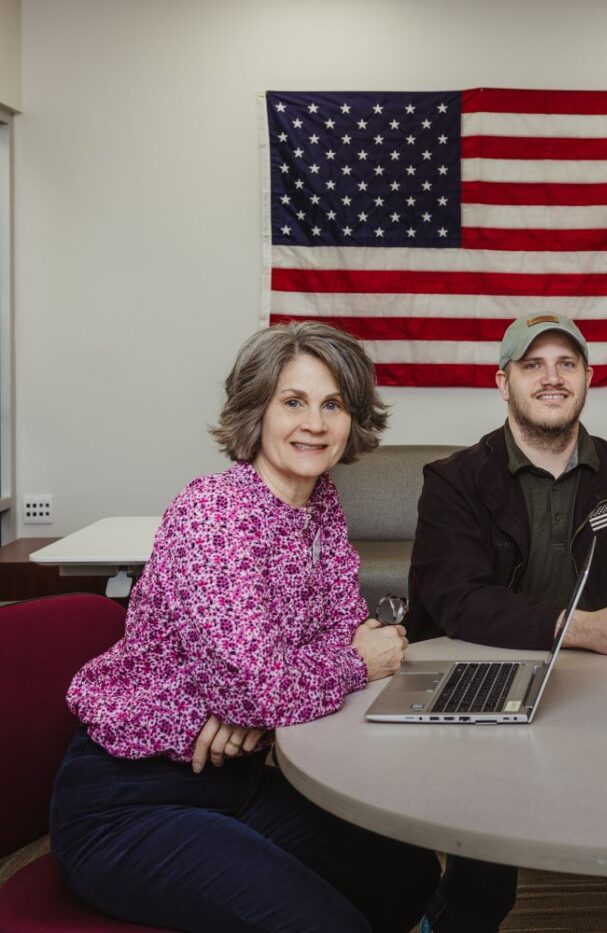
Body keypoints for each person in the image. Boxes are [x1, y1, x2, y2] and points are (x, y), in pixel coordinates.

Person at [50, 323, 441, 932]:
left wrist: (260, 705)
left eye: (332, 404)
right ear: (256, 409)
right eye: (293, 401)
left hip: (230, 783)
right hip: (129, 802)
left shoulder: (319, 507)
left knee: (408, 870)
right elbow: (274, 683)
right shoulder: (215, 512)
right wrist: (329, 674)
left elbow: (326, 640)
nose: (314, 423)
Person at [407, 312, 607, 933]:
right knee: (485, 870)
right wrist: (580, 627)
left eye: (566, 364)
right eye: (532, 365)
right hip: (491, 686)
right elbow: (458, 601)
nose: (551, 378)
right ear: (503, 383)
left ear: (588, 377)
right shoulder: (454, 481)